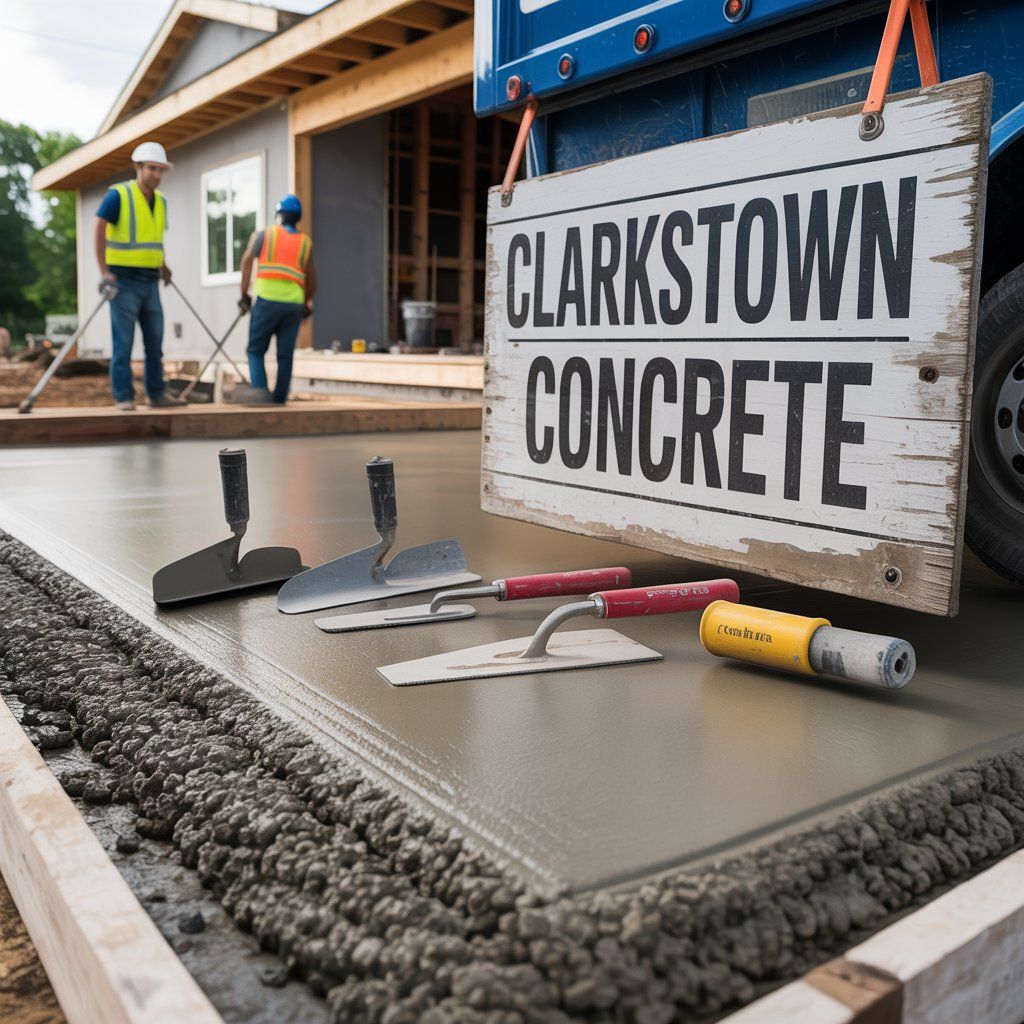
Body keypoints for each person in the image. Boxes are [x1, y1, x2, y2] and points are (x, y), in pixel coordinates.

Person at [94, 141, 184, 412]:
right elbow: (99, 229)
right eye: (152, 169)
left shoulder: (161, 202)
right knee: (124, 343)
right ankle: (124, 397)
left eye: (160, 170)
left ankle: (156, 394)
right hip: (122, 282)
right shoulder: (118, 195)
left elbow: (154, 240)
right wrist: (104, 273)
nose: (156, 174)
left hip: (150, 281)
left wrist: (164, 266)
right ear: (138, 167)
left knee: (154, 343)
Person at [236, 193, 316, 404]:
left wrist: (244, 295)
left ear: (279, 215)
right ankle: (280, 399)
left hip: (266, 302)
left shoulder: (264, 235)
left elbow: (245, 263)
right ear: (298, 218)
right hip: (293, 306)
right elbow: (312, 279)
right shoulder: (305, 243)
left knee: (255, 350)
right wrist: (306, 303)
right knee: (285, 354)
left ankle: (260, 392)